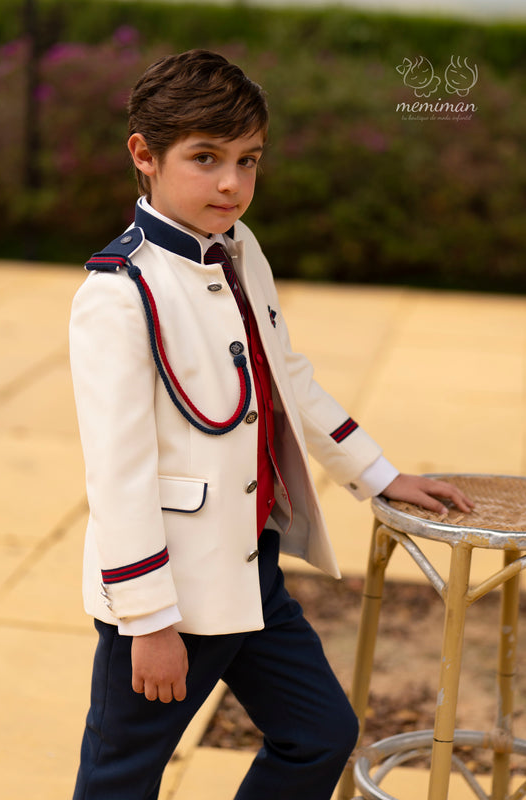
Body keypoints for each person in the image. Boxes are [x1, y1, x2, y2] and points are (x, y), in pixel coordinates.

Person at [69, 49, 473, 800]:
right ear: (145, 156)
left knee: (319, 735)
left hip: (250, 567)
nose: (232, 183)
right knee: (121, 781)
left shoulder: (240, 248)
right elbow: (118, 475)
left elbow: (286, 378)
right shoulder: (119, 293)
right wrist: (148, 622)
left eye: (248, 160)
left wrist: (379, 472)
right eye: (206, 158)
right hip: (169, 591)